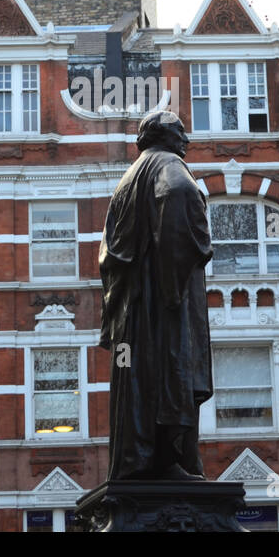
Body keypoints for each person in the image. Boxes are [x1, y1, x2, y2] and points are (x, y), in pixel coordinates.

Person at [98, 109, 213, 480]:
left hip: (127, 318)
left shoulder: (125, 181)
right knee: (167, 375)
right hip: (159, 307)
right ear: (163, 137)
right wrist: (175, 274)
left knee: (131, 381)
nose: (187, 141)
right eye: (181, 132)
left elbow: (108, 256)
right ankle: (168, 460)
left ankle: (136, 461)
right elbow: (179, 193)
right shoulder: (168, 164)